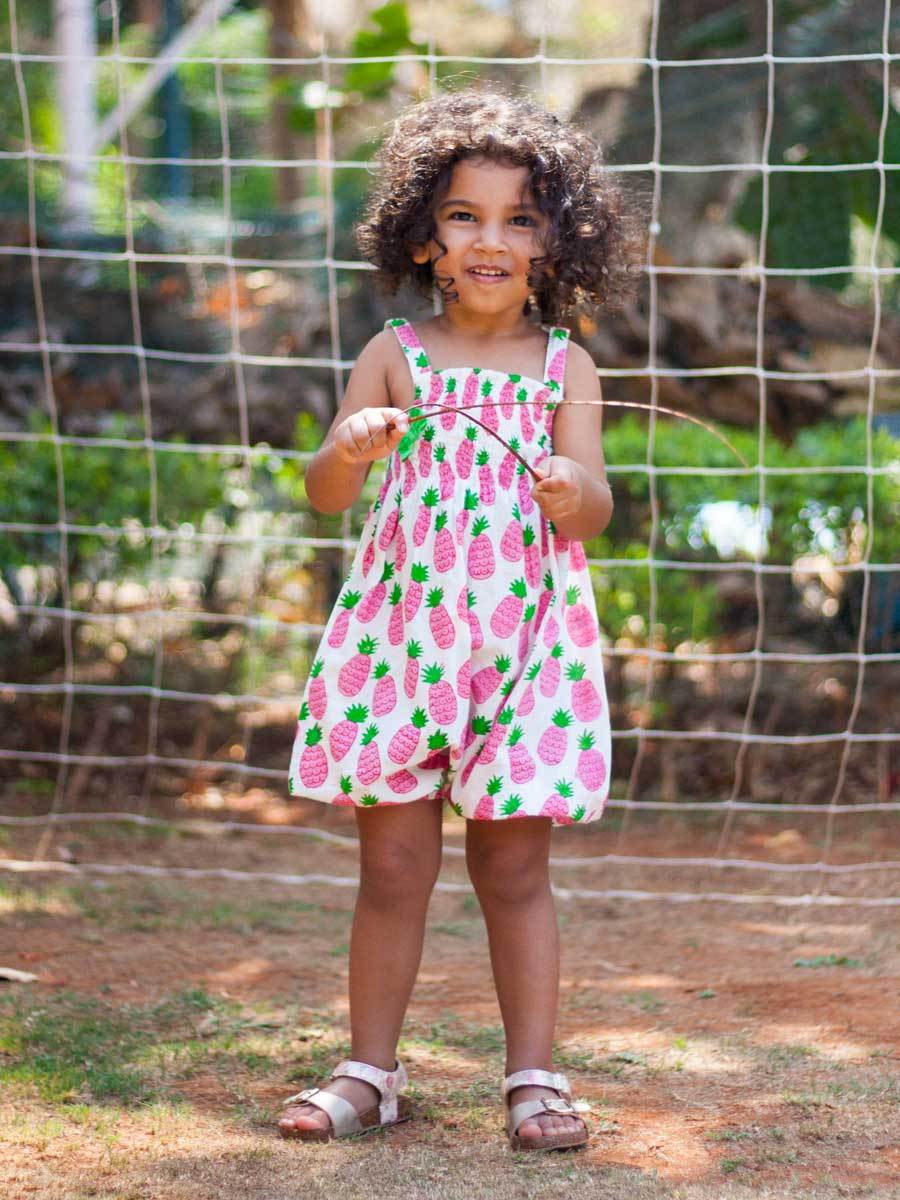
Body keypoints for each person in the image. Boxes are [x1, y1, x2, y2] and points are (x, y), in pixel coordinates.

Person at [280, 84, 645, 1152]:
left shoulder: (567, 366)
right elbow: (325, 495)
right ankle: (369, 1073)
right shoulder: (395, 353)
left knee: (515, 870)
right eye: (464, 215)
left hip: (525, 652)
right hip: (406, 643)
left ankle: (533, 1077)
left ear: (556, 242)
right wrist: (348, 448)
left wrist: (573, 492)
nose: (491, 239)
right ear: (423, 237)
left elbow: (597, 504)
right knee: (393, 868)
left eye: (519, 218)